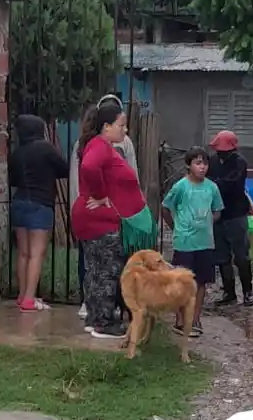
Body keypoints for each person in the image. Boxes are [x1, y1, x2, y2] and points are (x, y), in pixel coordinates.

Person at [71, 102, 151, 339]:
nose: (125, 131)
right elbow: (89, 166)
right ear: (106, 126)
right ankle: (104, 323)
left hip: (92, 220)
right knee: (108, 271)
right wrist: (100, 194)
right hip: (101, 222)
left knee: (96, 270)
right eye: (121, 125)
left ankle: (95, 317)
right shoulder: (101, 146)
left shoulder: (99, 145)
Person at [162, 148, 223, 337]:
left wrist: (205, 223)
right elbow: (166, 208)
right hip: (184, 243)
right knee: (182, 282)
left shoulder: (212, 187)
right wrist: (176, 227)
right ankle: (180, 320)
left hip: (205, 242)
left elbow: (217, 211)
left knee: (201, 282)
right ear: (189, 165)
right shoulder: (181, 186)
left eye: (205, 163)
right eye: (198, 163)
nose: (202, 167)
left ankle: (195, 318)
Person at [9, 115, 68, 311]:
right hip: (40, 203)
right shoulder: (45, 148)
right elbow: (64, 168)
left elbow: (13, 179)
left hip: (19, 202)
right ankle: (29, 298)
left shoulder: (17, 152)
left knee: (23, 252)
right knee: (36, 254)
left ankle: (21, 295)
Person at [207, 130, 253, 308]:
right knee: (222, 256)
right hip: (218, 214)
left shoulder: (240, 163)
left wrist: (213, 184)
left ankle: (248, 291)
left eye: (225, 150)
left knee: (241, 255)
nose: (221, 153)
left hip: (236, 214)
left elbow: (231, 185)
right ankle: (229, 292)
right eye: (219, 149)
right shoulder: (211, 161)